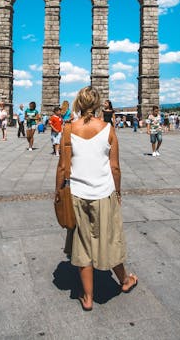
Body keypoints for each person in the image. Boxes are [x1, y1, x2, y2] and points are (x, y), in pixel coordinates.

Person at [57, 85, 137, 311]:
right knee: (109, 239)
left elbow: (63, 167)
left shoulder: (68, 129)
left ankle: (88, 297)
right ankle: (125, 280)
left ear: (78, 104)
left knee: (82, 244)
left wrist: (57, 194)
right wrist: (118, 192)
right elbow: (115, 167)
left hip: (77, 195)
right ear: (98, 104)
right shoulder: (108, 129)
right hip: (104, 193)